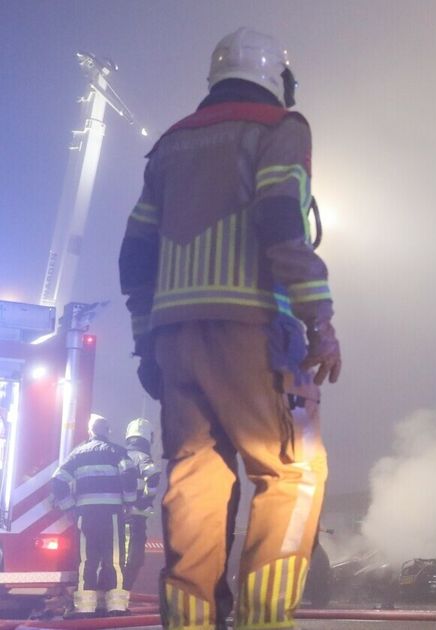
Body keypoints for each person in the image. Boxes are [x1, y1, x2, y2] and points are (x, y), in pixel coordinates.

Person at [118, 27, 342, 630]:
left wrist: (146, 341)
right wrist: (319, 318)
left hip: (175, 342)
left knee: (194, 481)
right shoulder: (280, 129)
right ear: (277, 80)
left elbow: (135, 254)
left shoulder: (169, 146)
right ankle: (264, 622)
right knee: (292, 471)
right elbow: (278, 216)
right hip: (255, 331)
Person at [51, 414, 138, 617]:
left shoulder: (77, 454)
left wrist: (69, 507)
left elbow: (58, 480)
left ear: (90, 432)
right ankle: (116, 607)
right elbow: (129, 475)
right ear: (107, 431)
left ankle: (85, 608)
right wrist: (129, 502)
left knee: (87, 560)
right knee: (114, 559)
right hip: (112, 514)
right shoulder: (118, 452)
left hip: (86, 514)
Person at [121, 418, 162, 590]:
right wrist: (146, 499)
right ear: (148, 438)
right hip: (135, 517)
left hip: (115, 515)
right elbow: (153, 475)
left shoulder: (118, 456)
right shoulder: (143, 458)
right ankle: (121, 596)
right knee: (132, 558)